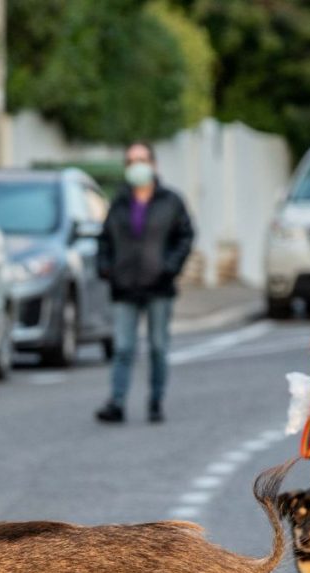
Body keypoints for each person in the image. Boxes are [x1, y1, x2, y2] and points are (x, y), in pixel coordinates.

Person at [94, 141, 195, 424]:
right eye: (131, 161)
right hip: (124, 285)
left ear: (153, 164)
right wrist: (105, 267)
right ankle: (116, 401)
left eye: (141, 159)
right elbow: (104, 239)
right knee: (123, 347)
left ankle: (155, 401)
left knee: (158, 346)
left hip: (158, 286)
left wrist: (170, 267)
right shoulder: (119, 201)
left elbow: (185, 236)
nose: (136, 166)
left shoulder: (171, 201)